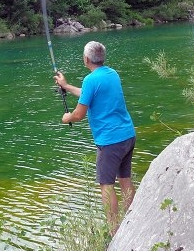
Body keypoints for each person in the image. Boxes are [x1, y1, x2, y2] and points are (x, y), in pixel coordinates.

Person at [54, 40, 136, 235]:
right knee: (125, 179)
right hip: (127, 135)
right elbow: (88, 94)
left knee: (106, 185)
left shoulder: (90, 80)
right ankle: (133, 223)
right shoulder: (112, 74)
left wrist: (67, 118)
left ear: (86, 59)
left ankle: (114, 232)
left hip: (110, 141)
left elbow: (79, 115)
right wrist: (66, 86)